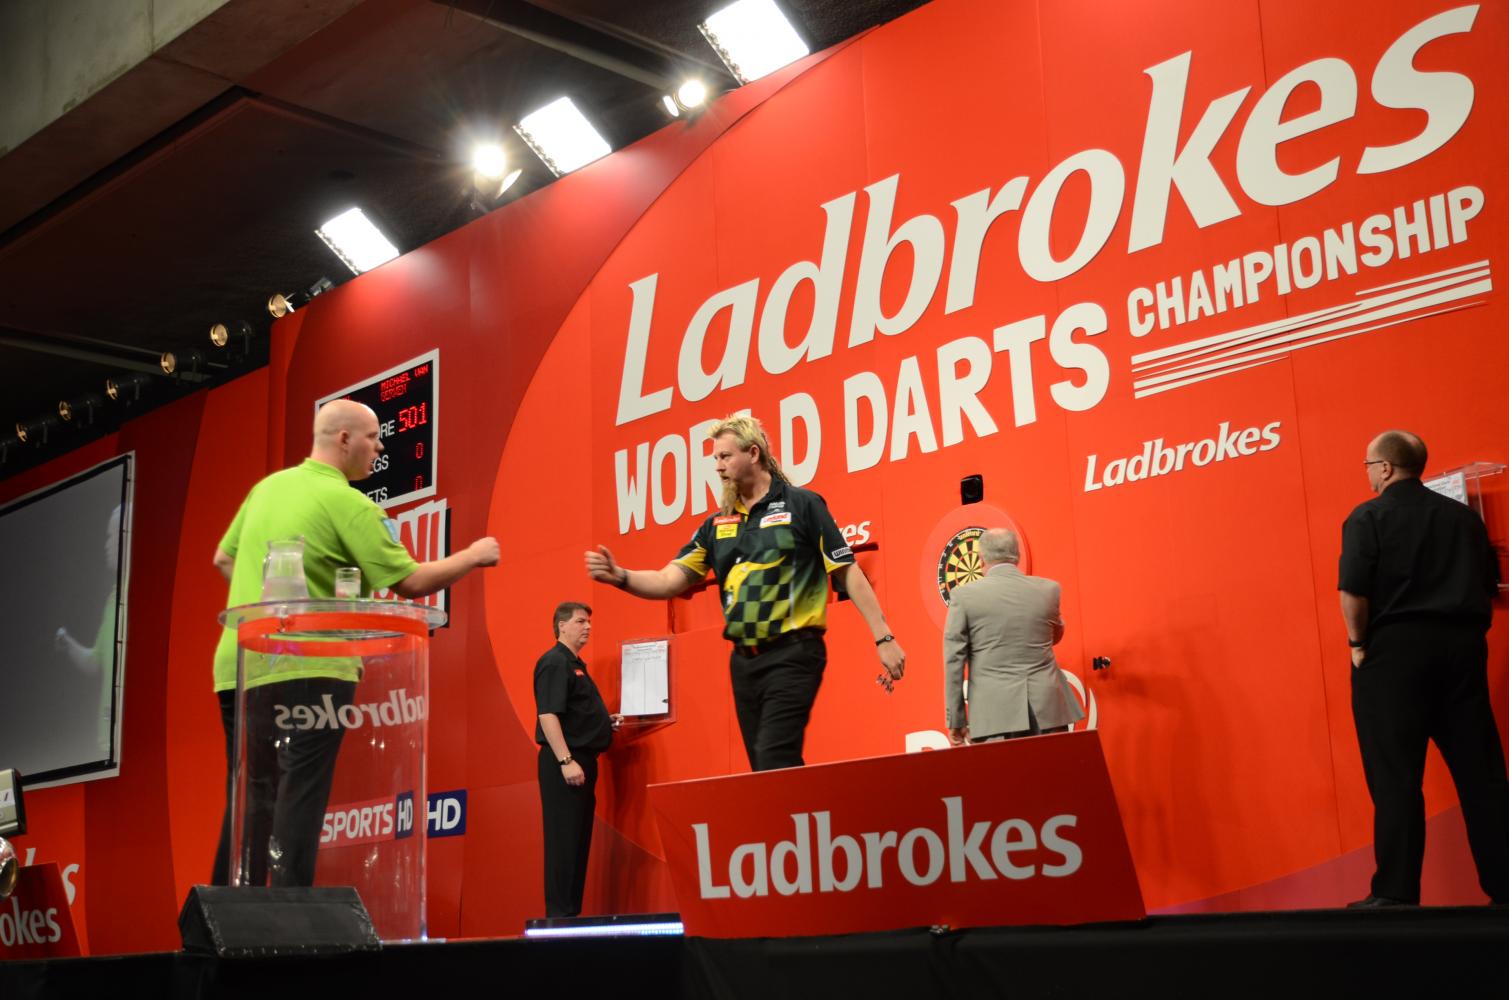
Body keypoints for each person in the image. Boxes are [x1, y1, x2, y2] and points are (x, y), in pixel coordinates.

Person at [210, 398, 499, 886]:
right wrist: (473, 555)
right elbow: (410, 581)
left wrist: (273, 609)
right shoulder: (348, 503)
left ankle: (225, 910)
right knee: (299, 792)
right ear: (344, 439)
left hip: (239, 664)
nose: (380, 447)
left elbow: (223, 558)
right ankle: (288, 912)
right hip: (312, 666)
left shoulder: (266, 489)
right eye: (372, 437)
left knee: (250, 797)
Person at [585, 414, 904, 772]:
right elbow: (669, 580)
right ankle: (803, 809)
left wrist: (884, 638)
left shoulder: (803, 505)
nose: (718, 466)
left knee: (773, 757)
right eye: (715, 458)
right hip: (744, 663)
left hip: (795, 652)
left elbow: (847, 570)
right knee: (767, 769)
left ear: (753, 453)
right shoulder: (716, 525)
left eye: (725, 456)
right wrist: (621, 576)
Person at [1339, 429, 1509, 907]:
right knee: (1482, 775)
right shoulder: (1463, 518)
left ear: (1386, 467)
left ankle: (1395, 894)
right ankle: (1506, 887)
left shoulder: (1366, 517)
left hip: (1393, 656)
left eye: (1368, 465)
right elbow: (1487, 586)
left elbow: (1353, 592)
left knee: (1395, 777)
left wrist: (1357, 644)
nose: (1368, 474)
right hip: (1462, 652)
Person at [942, 527, 1083, 745]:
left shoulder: (963, 596)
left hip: (994, 716)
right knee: (1053, 768)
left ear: (980, 560)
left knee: (1000, 769)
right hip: (1048, 710)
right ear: (1017, 555)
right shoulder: (1049, 590)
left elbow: (954, 660)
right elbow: (1054, 636)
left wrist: (956, 719)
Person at [535, 602, 622, 917]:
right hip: (566, 763)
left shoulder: (575, 664)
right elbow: (548, 715)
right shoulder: (554, 662)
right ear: (562, 626)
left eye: (589, 622)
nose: (588, 627)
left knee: (577, 841)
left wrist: (602, 723)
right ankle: (559, 918)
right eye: (580, 621)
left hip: (581, 761)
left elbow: (571, 713)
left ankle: (570, 915)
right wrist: (565, 761)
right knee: (564, 841)